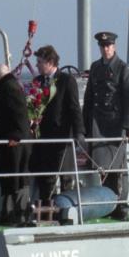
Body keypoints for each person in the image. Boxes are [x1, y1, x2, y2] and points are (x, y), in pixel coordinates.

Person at [83, 31, 129, 221]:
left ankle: (121, 206)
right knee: (102, 167)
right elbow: (89, 98)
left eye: (108, 46)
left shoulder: (123, 69)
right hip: (98, 125)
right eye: (102, 46)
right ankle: (106, 204)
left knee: (118, 167)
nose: (105, 49)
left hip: (116, 126)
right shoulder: (96, 68)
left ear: (114, 46)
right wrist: (84, 125)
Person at [30, 45, 85, 203]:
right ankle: (46, 208)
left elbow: (74, 108)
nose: (36, 65)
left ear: (50, 62)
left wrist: (79, 132)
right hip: (43, 138)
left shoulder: (67, 81)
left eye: (39, 62)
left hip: (62, 137)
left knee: (65, 177)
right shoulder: (37, 82)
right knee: (45, 178)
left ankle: (65, 210)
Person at [0, 63, 31, 225]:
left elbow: (19, 113)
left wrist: (16, 136)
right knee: (12, 178)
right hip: (14, 141)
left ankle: (16, 214)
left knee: (15, 178)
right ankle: (9, 213)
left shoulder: (8, 87)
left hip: (15, 143)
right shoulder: (10, 85)